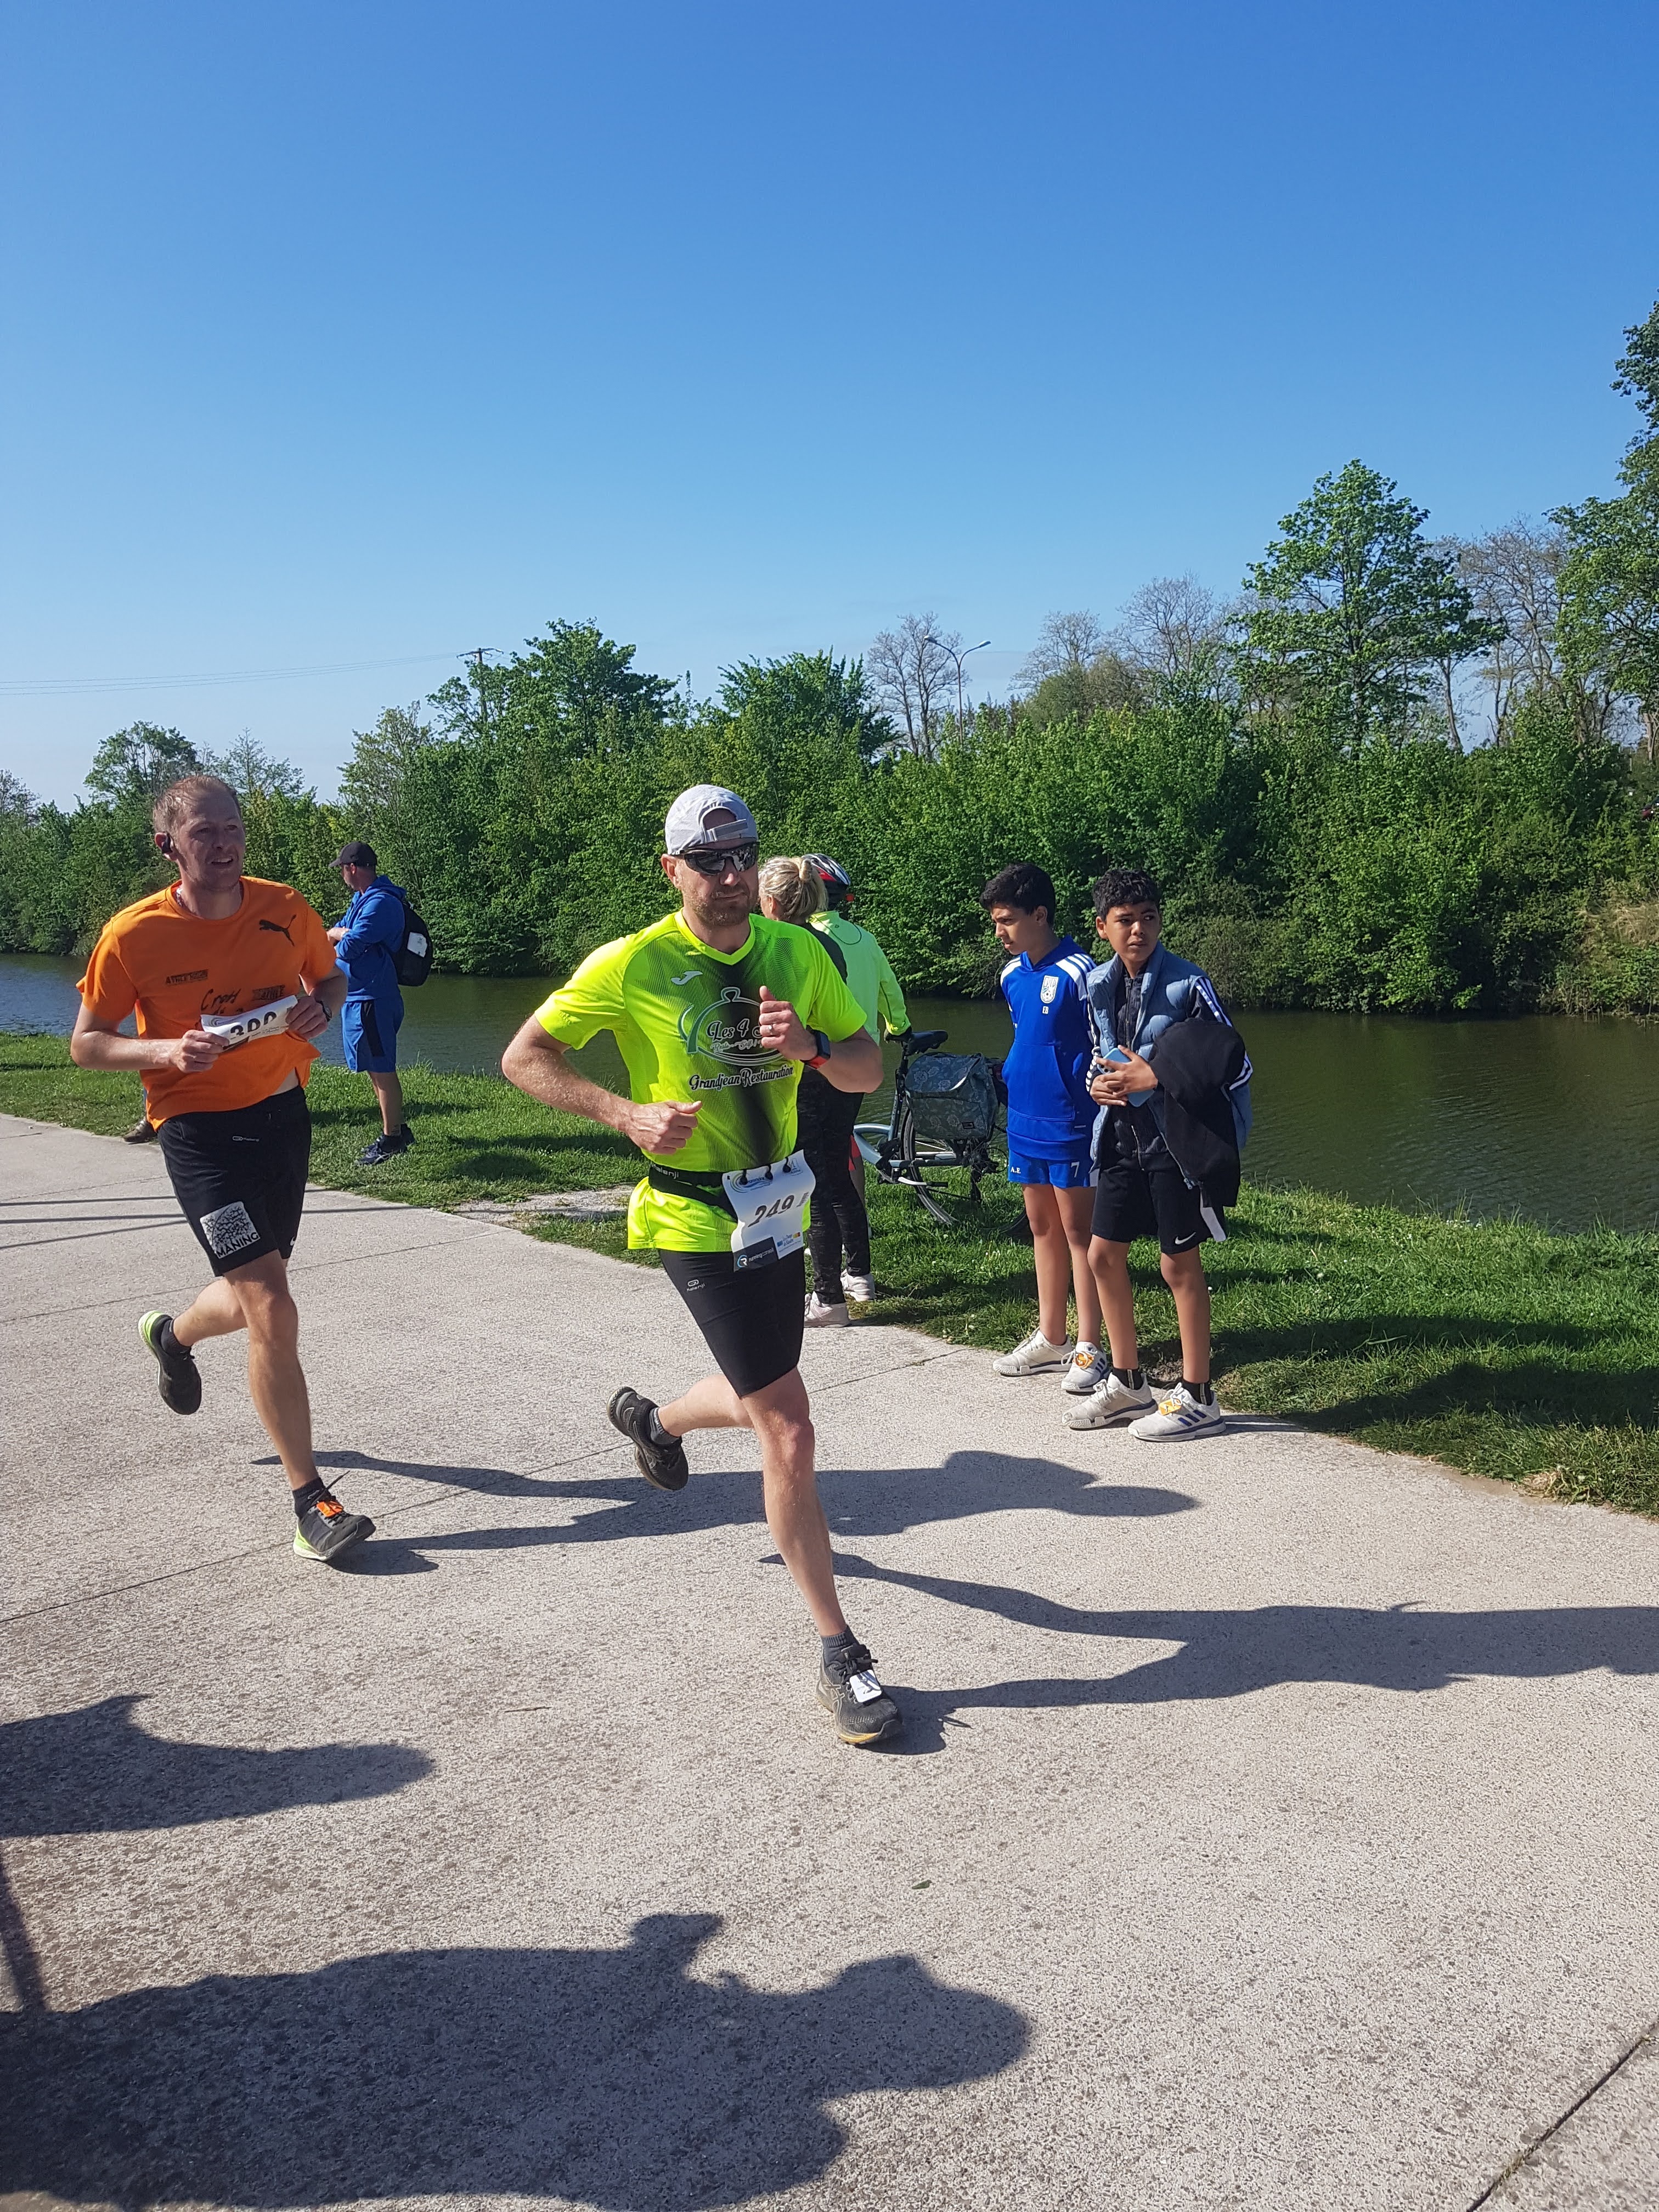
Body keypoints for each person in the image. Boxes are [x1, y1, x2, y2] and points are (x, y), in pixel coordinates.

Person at [500, 785, 901, 1747]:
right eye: (708, 860)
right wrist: (624, 1113)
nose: (729, 876)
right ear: (671, 868)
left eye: (742, 856)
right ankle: (838, 1651)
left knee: (762, 1392)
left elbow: (866, 1067)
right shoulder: (631, 962)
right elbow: (524, 1056)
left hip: (779, 1203)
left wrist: (812, 1046)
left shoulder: (797, 952)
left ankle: (656, 1421)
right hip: (689, 1212)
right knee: (789, 1423)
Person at [70, 774, 373, 1564]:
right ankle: (311, 1502)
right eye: (204, 831)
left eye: (232, 827)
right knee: (271, 1302)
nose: (224, 843)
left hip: (281, 1116)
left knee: (249, 1300)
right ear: (168, 844)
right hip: (198, 1132)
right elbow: (88, 1042)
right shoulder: (133, 934)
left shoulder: (285, 908)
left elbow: (330, 978)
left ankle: (172, 1337)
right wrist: (166, 1050)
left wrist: (323, 1004)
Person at [1066, 866, 1252, 1441]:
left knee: (1178, 1265)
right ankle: (1128, 1381)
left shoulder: (1189, 984)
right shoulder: (1095, 984)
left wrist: (1157, 1075)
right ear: (1102, 927)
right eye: (1125, 920)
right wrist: (1098, 1085)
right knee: (1102, 1255)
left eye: (1149, 918)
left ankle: (1198, 1395)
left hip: (1176, 1144)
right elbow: (1101, 1053)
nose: (1138, 930)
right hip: (1120, 1139)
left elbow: (1236, 1062)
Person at [981, 862, 1103, 1393]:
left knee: (1081, 1233)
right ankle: (1052, 1336)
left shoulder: (1081, 971)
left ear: (1040, 915)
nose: (999, 932)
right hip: (1025, 1117)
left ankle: (1091, 1346)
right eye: (995, 922)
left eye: (1007, 920)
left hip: (1071, 1119)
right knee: (1041, 1227)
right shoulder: (1011, 975)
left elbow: (1102, 1045)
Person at [757, 857, 870, 1329]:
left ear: (770, 902)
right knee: (838, 1174)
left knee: (813, 1186)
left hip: (804, 1075)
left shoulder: (776, 947)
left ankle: (827, 1297)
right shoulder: (828, 943)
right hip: (839, 1063)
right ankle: (859, 1273)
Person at [804, 854, 910, 1302]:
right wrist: (899, 1027)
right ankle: (857, 1268)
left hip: (818, 1060)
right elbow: (890, 989)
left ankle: (829, 1272)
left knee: (818, 1171)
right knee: (841, 1157)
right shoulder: (865, 938)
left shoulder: (803, 939)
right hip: (860, 1063)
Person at [328, 840, 411, 1166]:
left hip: (374, 998)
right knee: (374, 1070)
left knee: (382, 1068)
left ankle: (392, 1139)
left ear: (353, 868)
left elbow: (348, 947)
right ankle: (397, 1128)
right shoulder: (361, 899)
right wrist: (340, 934)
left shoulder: (381, 903)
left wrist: (338, 935)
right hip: (360, 996)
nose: (342, 875)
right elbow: (341, 936)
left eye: (342, 869)